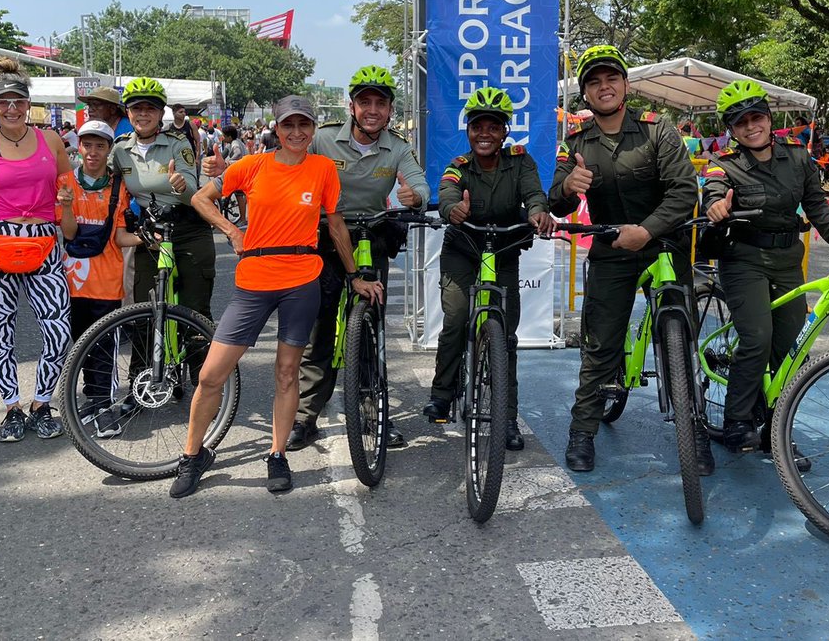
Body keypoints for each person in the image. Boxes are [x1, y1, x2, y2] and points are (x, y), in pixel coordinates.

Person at [173, 95, 382, 498]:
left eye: (304, 125)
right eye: (289, 125)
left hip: (302, 280)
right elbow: (201, 198)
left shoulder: (322, 169)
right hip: (254, 279)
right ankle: (192, 454)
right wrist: (232, 232)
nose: (297, 132)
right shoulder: (252, 165)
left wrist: (354, 275)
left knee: (287, 373)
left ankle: (277, 453)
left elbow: (335, 226)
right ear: (277, 128)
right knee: (210, 374)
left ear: (313, 128)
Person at [549, 45, 701, 473]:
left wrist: (647, 230)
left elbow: (684, 190)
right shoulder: (574, 143)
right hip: (610, 250)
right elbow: (555, 205)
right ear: (585, 94)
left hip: (663, 246)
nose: (604, 87)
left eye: (611, 78)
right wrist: (567, 187)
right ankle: (583, 431)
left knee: (680, 342)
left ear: (626, 85)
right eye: (594, 82)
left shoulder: (659, 130)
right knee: (599, 346)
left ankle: (695, 428)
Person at [702, 80, 829, 454]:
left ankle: (777, 429)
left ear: (768, 119)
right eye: (740, 123)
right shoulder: (724, 163)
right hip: (743, 259)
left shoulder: (798, 158)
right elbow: (714, 191)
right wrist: (716, 206)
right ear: (731, 130)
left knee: (791, 347)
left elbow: (816, 207)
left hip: (786, 260)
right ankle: (737, 420)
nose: (751, 127)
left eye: (756, 118)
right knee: (757, 337)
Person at [288, 66, 429, 451]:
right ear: (351, 106)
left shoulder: (397, 146)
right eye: (364, 102)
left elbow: (417, 180)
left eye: (380, 103)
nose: (372, 110)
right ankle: (305, 417)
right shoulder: (324, 140)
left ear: (389, 110)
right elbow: (291, 169)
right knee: (320, 328)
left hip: (373, 236)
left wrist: (416, 196)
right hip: (325, 238)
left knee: (371, 331)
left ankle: (372, 413)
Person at [427, 87, 553, 451]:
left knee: (505, 335)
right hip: (463, 251)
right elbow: (447, 192)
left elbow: (534, 194)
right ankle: (441, 393)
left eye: (493, 127)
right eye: (477, 126)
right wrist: (453, 209)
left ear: (504, 132)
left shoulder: (521, 162)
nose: (485, 133)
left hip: (504, 252)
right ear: (468, 130)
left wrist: (536, 212)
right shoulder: (458, 166)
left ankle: (507, 419)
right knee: (456, 318)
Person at [0, 56, 73, 442]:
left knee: (58, 330)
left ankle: (42, 403)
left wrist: (65, 207)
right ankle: (11, 407)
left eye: (17, 101)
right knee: (0, 329)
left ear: (28, 104)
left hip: (44, 240)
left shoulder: (50, 139)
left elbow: (67, 188)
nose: (10, 109)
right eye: (2, 102)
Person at [110, 78, 212, 384]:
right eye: (137, 108)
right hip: (150, 232)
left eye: (150, 109)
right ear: (128, 113)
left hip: (188, 228)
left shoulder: (178, 144)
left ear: (160, 113)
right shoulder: (120, 150)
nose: (143, 114)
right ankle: (140, 380)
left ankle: (202, 381)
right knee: (143, 309)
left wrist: (181, 186)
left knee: (195, 311)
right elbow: (103, 181)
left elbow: (193, 190)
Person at [57, 120, 139, 438]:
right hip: (73, 281)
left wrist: (147, 240)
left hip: (107, 281)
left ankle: (103, 405)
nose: (92, 152)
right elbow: (69, 233)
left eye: (100, 146)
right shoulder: (65, 182)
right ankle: (87, 403)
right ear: (80, 146)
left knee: (104, 346)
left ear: (109, 150)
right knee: (78, 345)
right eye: (87, 144)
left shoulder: (118, 186)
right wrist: (65, 206)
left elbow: (118, 236)